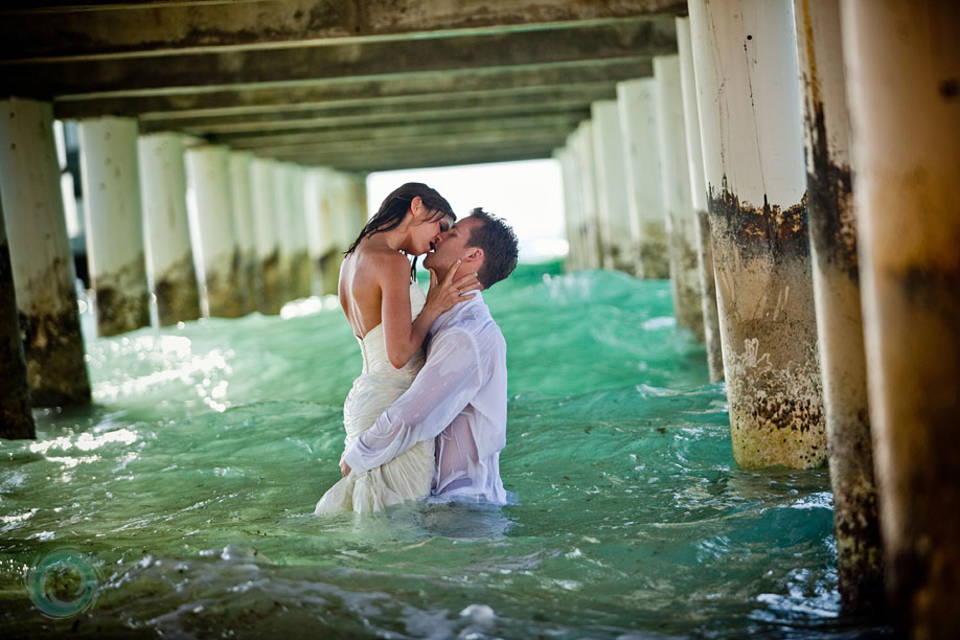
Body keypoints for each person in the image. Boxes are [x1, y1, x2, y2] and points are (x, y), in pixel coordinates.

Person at [314, 183, 481, 515]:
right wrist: (434, 306)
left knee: (377, 521)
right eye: (441, 226)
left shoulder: (353, 259)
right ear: (417, 206)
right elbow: (399, 353)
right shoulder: (392, 262)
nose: (440, 238)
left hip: (369, 397)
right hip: (392, 404)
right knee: (400, 525)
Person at [338, 208, 519, 505]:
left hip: (466, 506)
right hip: (443, 501)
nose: (441, 235)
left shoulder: (467, 334)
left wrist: (356, 456)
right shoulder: (443, 318)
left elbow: (415, 414)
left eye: (453, 233)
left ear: (472, 257)